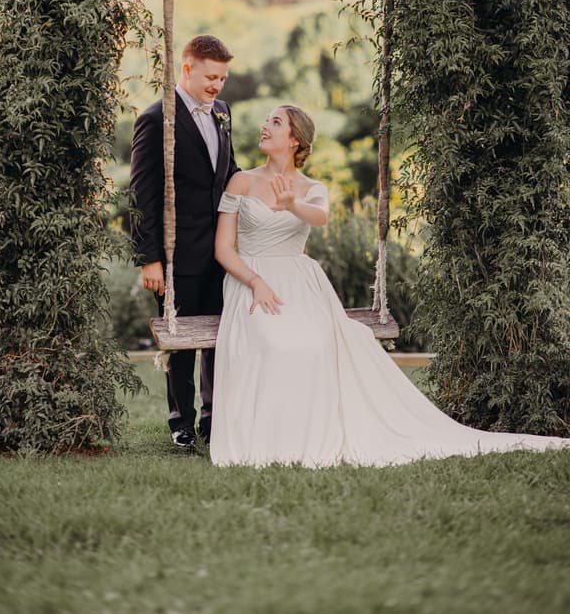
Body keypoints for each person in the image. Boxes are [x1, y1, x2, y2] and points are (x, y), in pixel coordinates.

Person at [211, 104, 570, 467]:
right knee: (276, 344)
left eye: (275, 122)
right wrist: (256, 282)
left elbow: (319, 216)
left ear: (294, 139)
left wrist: (292, 204)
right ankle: (275, 438)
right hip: (251, 279)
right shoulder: (241, 181)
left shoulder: (311, 188)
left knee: (317, 344)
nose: (264, 127)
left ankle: (311, 434)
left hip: (301, 285)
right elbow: (223, 249)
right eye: (267, 120)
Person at [130, 35, 238, 450]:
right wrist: (149, 259)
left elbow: (229, 171)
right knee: (180, 340)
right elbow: (142, 196)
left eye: (223, 78)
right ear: (187, 69)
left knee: (218, 336)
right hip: (177, 254)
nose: (217, 86)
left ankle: (214, 420)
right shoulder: (157, 119)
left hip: (221, 250)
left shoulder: (224, 112)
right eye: (211, 77)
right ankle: (182, 423)